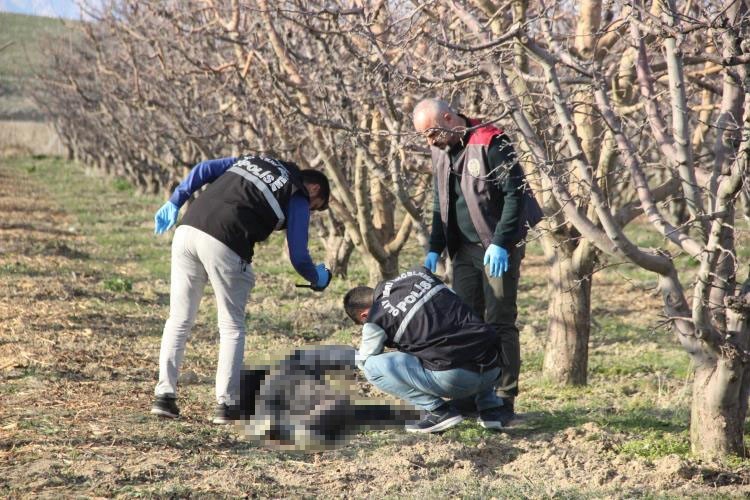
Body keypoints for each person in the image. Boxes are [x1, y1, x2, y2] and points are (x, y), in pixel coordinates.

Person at [149, 154, 332, 424]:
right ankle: (226, 405)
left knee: (178, 319)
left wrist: (176, 200)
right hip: (227, 241)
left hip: (187, 230)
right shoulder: (298, 194)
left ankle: (164, 397)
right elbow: (298, 254)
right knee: (231, 326)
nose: (310, 211)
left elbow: (204, 168)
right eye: (316, 207)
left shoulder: (254, 159)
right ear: (315, 188)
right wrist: (317, 277)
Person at [412, 98, 542, 425]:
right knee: (465, 323)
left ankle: (503, 397)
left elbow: (516, 194)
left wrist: (500, 242)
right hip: (463, 250)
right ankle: (469, 395)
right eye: (425, 137)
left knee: (499, 319)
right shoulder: (441, 150)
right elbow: (441, 202)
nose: (430, 141)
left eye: (432, 133)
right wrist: (435, 247)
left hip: (497, 246)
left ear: (448, 118)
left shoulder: (492, 142)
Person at [343, 266, 508, 433]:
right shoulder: (420, 274)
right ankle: (491, 409)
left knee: (372, 367)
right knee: (463, 332)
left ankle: (440, 412)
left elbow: (365, 358)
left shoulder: (375, 316)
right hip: (493, 366)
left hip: (457, 378)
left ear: (364, 315)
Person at [237, 345, 419, 450]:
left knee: (348, 408)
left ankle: (409, 416)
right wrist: (358, 357)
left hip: (298, 425)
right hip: (305, 426)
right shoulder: (286, 374)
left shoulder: (274, 382)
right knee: (346, 407)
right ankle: (411, 417)